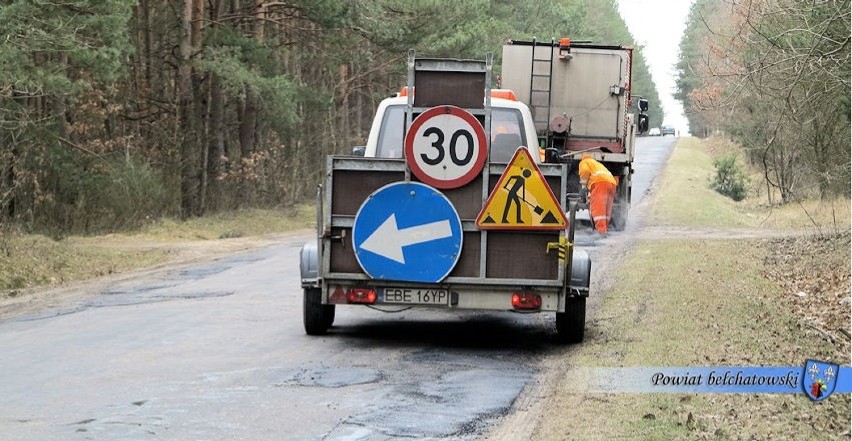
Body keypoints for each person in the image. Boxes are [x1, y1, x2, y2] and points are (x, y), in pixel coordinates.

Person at [578, 153, 617, 236]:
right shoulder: (596, 163)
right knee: (606, 208)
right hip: (612, 183)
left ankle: (601, 230)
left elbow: (585, 171)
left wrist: (584, 186)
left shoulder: (584, 162)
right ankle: (605, 227)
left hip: (600, 183)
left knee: (598, 208)